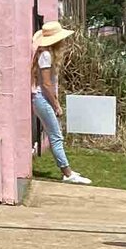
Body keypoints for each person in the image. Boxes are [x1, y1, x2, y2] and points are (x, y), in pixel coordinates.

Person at [31, 21, 91, 185]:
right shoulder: (46, 55)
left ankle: (67, 170)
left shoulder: (45, 53)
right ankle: (67, 173)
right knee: (56, 136)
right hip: (42, 99)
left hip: (41, 98)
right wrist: (56, 104)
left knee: (55, 135)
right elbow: (46, 84)